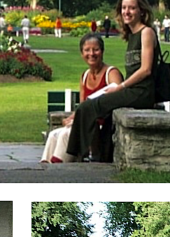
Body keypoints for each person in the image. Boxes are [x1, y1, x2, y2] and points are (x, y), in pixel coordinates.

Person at [63, 0, 157, 162]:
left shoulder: (146, 33)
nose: (127, 12)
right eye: (124, 8)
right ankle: (100, 156)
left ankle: (75, 156)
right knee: (105, 116)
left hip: (142, 93)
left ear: (141, 11)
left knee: (87, 107)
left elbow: (146, 70)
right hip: (132, 91)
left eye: (132, 8)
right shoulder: (132, 35)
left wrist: (120, 87)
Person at [41, 33, 123, 163]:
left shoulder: (111, 73)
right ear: (81, 53)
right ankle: (45, 167)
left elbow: (118, 98)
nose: (92, 53)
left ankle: (58, 169)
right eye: (87, 50)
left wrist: (79, 121)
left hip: (101, 128)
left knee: (65, 135)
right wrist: (72, 118)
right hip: (85, 125)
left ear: (102, 51)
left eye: (96, 49)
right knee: (53, 135)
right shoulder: (84, 76)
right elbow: (83, 107)